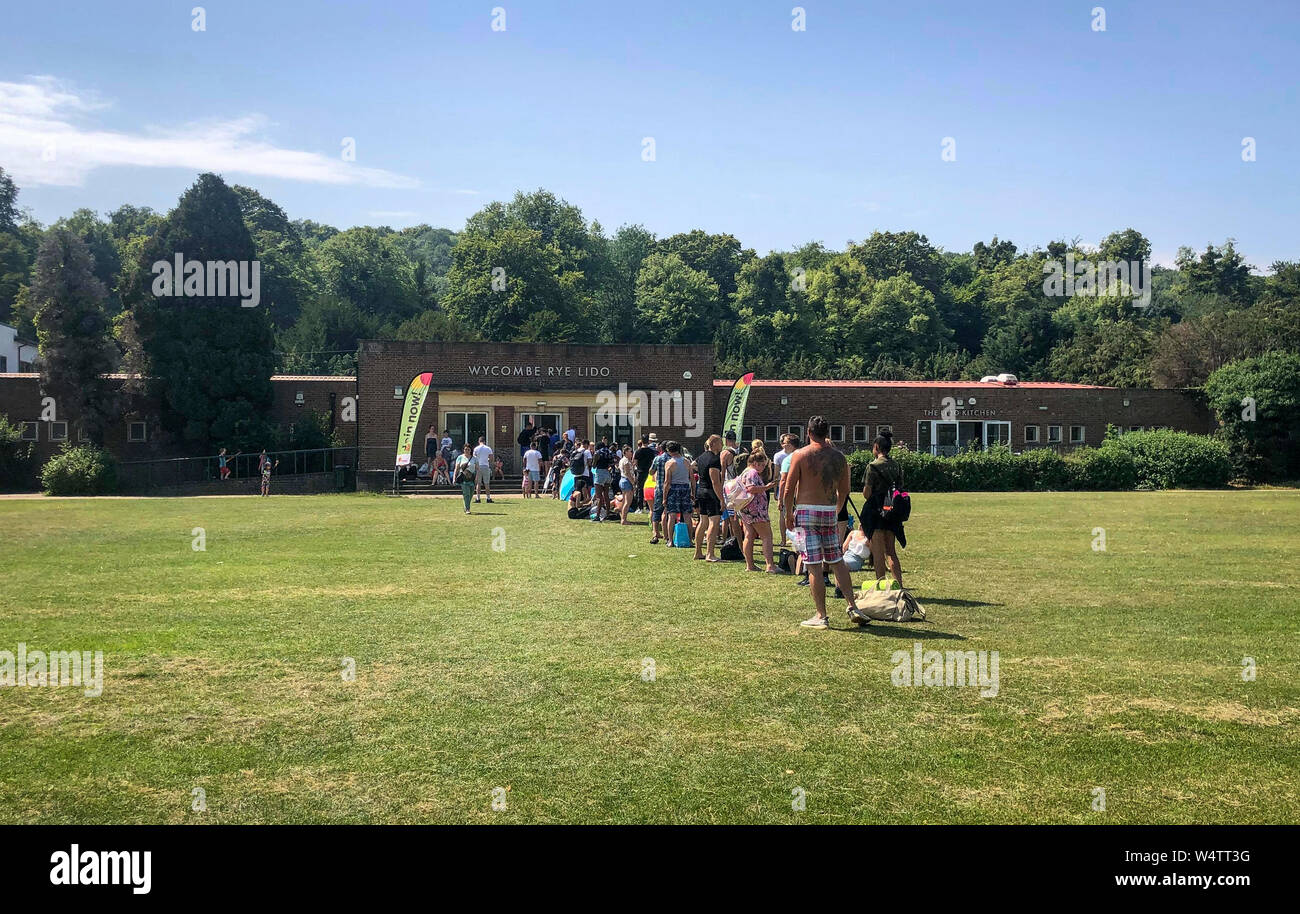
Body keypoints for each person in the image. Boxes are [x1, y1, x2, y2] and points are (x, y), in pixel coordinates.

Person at [781, 416, 863, 629]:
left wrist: (788, 514)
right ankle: (853, 606)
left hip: (807, 511)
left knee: (814, 565)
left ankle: (821, 615)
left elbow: (789, 489)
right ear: (827, 433)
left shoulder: (800, 455)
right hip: (829, 511)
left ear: (808, 433)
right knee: (837, 560)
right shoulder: (839, 457)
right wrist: (836, 509)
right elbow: (845, 489)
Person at [861, 429, 906, 589]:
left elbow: (867, 493)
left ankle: (881, 585)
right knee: (891, 552)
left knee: (878, 553)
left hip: (877, 511)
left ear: (877, 447)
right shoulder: (896, 465)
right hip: (892, 509)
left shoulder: (872, 466)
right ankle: (899, 585)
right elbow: (900, 488)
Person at [739, 452, 781, 573]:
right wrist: (767, 487)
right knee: (767, 536)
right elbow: (751, 488)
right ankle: (770, 565)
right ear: (756, 463)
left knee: (749, 535)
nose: (763, 468)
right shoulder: (752, 473)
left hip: (746, 509)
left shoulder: (744, 472)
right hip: (756, 509)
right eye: (762, 465)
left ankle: (750, 565)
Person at [693, 434, 726, 562]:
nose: (722, 445)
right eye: (720, 443)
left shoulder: (701, 457)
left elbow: (692, 466)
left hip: (701, 490)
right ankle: (710, 554)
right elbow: (715, 482)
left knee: (703, 521)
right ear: (713, 444)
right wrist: (721, 499)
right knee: (714, 522)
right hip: (711, 493)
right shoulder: (714, 459)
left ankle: (698, 552)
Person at [662, 441, 694, 547]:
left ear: (669, 450)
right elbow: (692, 479)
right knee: (687, 516)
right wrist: (693, 492)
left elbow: (667, 482)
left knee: (672, 515)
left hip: (674, 489)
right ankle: (690, 540)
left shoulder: (669, 463)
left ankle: (670, 540)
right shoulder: (687, 461)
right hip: (685, 488)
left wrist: (664, 497)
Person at [774, 434, 798, 545]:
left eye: (786, 443)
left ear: (792, 445)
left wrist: (780, 498)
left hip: (790, 491)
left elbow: (783, 480)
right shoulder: (804, 456)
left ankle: (787, 539)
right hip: (801, 493)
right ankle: (789, 539)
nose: (783, 445)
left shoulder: (788, 459)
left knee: (785, 515)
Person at [648, 440, 670, 544]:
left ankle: (655, 532)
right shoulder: (672, 459)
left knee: (657, 510)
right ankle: (667, 535)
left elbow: (651, 471)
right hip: (670, 488)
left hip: (659, 487)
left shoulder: (658, 458)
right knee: (668, 512)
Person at [453, 443, 477, 514]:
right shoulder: (460, 457)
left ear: (470, 450)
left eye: (468, 449)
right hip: (463, 477)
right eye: (465, 449)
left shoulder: (474, 458)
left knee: (471, 493)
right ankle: (467, 509)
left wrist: (477, 478)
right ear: (463, 450)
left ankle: (466, 505)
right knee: (466, 493)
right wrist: (454, 478)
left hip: (472, 477)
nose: (467, 451)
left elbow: (478, 469)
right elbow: (456, 468)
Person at [618, 446, 637, 524]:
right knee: (627, 502)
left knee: (625, 501)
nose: (632, 453)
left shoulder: (623, 460)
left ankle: (622, 517)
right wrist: (633, 483)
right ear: (625, 452)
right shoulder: (625, 461)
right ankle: (624, 520)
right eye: (630, 451)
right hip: (626, 481)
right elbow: (627, 473)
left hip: (623, 480)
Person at [472, 436, 494, 503]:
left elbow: (474, 458)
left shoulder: (476, 448)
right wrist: (487, 460)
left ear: (479, 441)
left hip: (478, 466)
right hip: (485, 466)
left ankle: (478, 498)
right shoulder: (488, 448)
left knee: (478, 483)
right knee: (486, 483)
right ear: (484, 441)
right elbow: (491, 458)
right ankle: (488, 498)